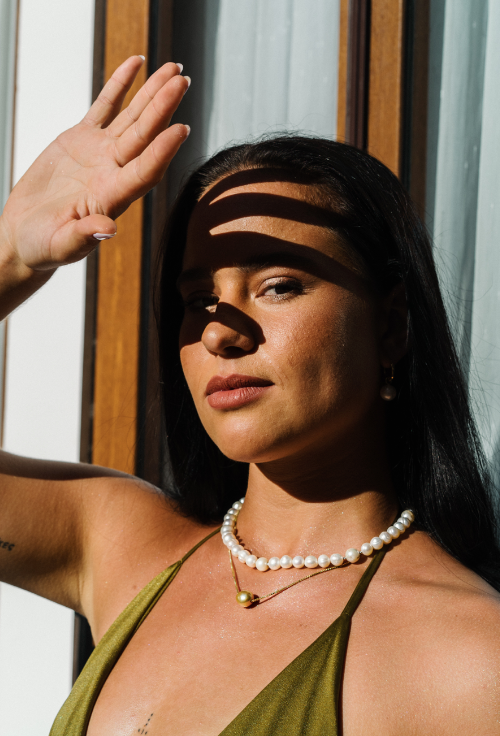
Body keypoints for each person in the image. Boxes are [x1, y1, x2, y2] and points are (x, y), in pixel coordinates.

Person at [0, 57, 498, 736]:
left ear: (391, 324)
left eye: (278, 285)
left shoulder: (470, 661)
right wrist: (11, 254)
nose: (219, 330)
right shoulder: (123, 549)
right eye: (197, 299)